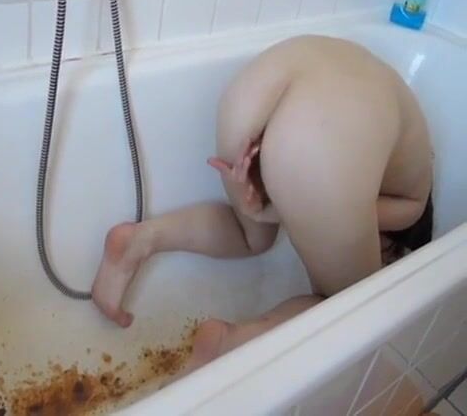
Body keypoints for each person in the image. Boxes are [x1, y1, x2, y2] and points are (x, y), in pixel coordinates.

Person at [91, 35, 434, 372]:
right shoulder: (413, 205)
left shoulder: (394, 105)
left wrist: (260, 208)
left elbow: (314, 209)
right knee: (346, 305)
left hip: (254, 91)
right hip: (325, 134)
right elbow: (331, 214)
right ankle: (230, 344)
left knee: (250, 234)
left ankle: (141, 239)